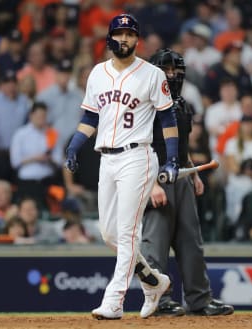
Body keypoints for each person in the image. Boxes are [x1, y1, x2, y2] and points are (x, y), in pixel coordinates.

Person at [64, 14, 177, 320]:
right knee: (109, 233)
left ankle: (114, 301)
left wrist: (172, 158)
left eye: (130, 34)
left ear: (137, 40)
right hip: (107, 159)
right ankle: (153, 281)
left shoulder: (152, 74)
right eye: (119, 33)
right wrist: (75, 145)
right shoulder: (98, 73)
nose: (124, 39)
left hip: (137, 157)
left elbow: (167, 119)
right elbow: (90, 118)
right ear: (109, 38)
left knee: (127, 232)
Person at [138, 48, 234, 317]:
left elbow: (182, 146)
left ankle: (199, 299)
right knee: (155, 242)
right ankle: (159, 299)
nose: (172, 74)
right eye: (166, 69)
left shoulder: (181, 105)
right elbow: (139, 147)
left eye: (176, 70)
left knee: (191, 241)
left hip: (181, 174)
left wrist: (193, 172)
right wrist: (151, 184)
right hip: (155, 174)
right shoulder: (144, 105)